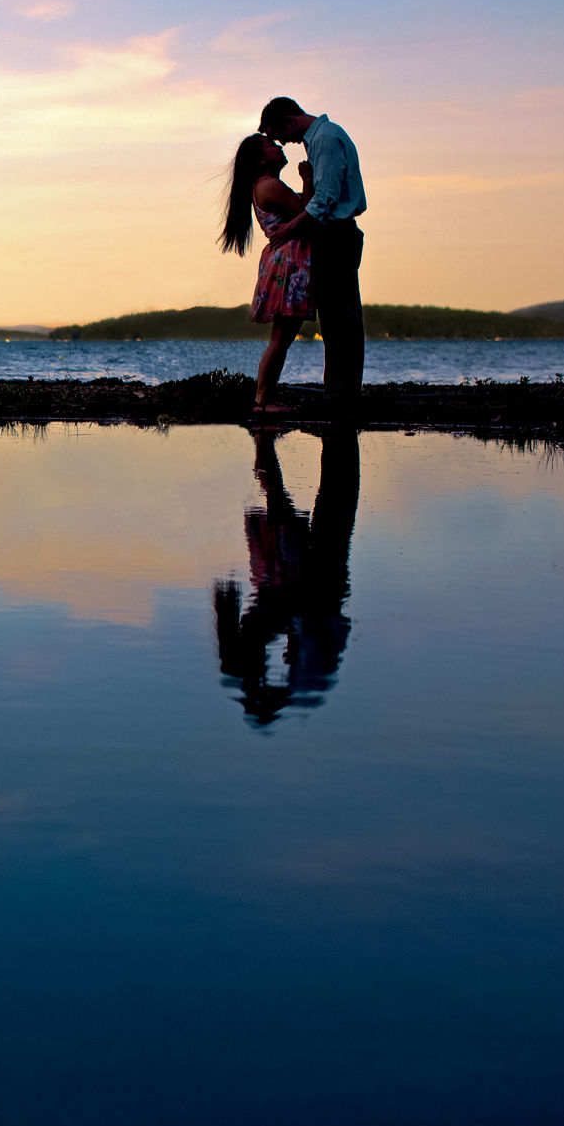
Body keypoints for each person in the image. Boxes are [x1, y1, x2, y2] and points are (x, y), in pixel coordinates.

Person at [212, 427, 360, 726]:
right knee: (330, 500)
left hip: (300, 586)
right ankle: (268, 455)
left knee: (326, 501)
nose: (284, 658)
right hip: (306, 587)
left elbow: (322, 621)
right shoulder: (307, 683)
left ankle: (267, 455)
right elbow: (327, 622)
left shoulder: (304, 682)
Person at [257, 97, 367, 403]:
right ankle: (340, 391)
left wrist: (288, 230)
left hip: (335, 233)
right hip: (331, 233)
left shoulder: (325, 139)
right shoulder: (321, 139)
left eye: (280, 135)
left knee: (341, 319)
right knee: (335, 320)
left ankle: (342, 394)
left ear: (289, 120)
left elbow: (323, 201)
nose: (283, 143)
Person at [219, 133, 313, 417]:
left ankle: (264, 400)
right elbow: (308, 211)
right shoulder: (269, 186)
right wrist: (308, 179)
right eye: (272, 146)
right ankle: (262, 402)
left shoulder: (265, 186)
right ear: (260, 159)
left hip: (286, 261)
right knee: (281, 338)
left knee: (282, 337)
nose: (279, 147)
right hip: (288, 264)